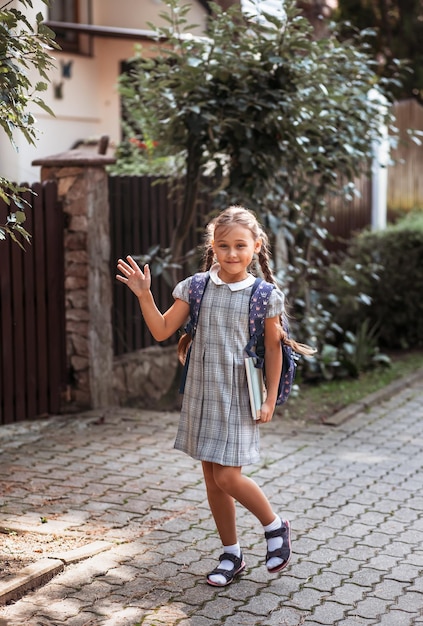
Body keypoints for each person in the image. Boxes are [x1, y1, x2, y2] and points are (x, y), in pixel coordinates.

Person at [116, 205, 314, 587]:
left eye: (241, 245)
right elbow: (161, 330)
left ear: (256, 246)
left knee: (227, 476)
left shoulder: (264, 295)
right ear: (213, 247)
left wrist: (270, 398)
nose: (232, 254)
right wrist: (144, 294)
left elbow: (273, 350)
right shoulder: (196, 287)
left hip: (238, 397)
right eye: (223, 246)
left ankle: (275, 527)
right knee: (212, 480)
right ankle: (231, 554)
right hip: (202, 394)